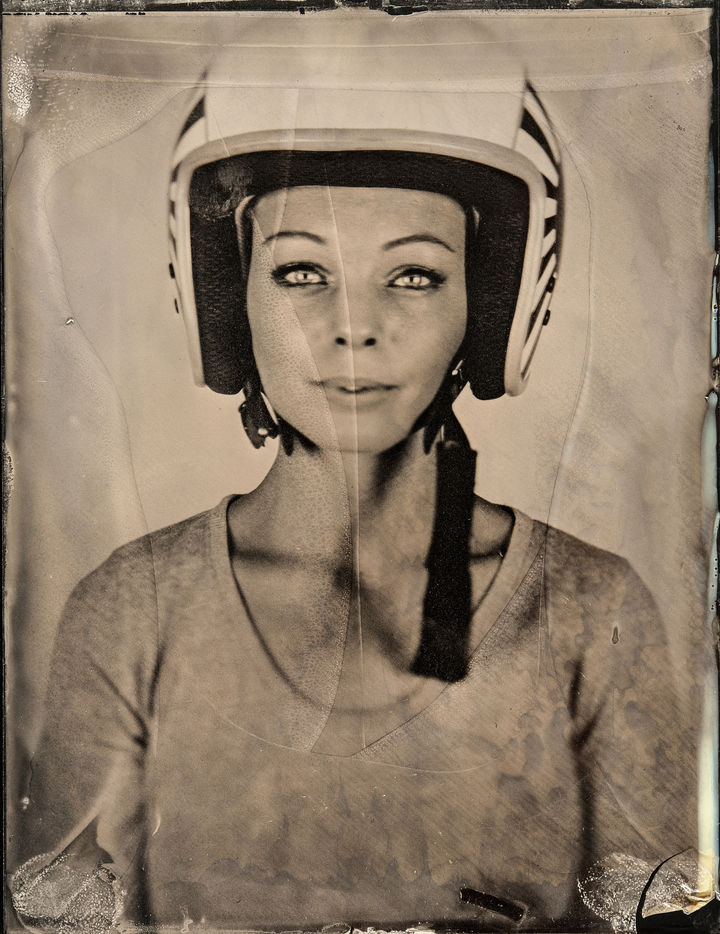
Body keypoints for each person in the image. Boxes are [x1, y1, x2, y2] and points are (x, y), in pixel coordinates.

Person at [11, 37, 693, 934]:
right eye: (301, 272)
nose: (354, 328)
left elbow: (665, 916)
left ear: (491, 303)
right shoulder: (131, 611)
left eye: (413, 275)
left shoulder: (592, 609)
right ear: (228, 297)